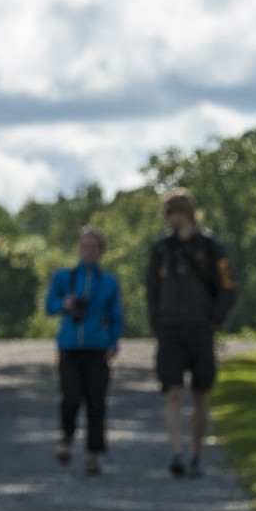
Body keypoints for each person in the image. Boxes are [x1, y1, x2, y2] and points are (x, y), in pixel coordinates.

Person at [146, 188, 237, 477]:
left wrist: (213, 320)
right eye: (169, 213)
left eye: (176, 212)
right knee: (172, 391)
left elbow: (226, 286)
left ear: (187, 213)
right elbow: (151, 289)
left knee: (201, 392)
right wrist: (157, 322)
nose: (172, 218)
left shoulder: (210, 246)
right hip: (170, 329)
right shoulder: (162, 249)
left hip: (200, 328)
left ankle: (197, 452)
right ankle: (176, 450)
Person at [45, 227, 124, 476]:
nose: (88, 250)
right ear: (78, 248)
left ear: (101, 251)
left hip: (97, 349)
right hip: (69, 347)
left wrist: (113, 343)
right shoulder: (64, 277)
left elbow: (116, 316)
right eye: (84, 246)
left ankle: (92, 454)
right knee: (70, 396)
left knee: (96, 402)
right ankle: (66, 438)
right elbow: (49, 306)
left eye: (93, 246)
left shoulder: (108, 281)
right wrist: (64, 304)